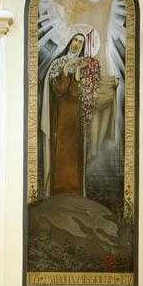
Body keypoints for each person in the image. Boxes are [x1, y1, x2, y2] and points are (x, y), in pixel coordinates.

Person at [40, 33, 100, 197]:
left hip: (76, 118)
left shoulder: (84, 64)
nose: (77, 44)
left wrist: (78, 73)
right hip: (60, 116)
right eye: (75, 40)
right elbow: (58, 91)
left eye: (81, 42)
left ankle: (75, 191)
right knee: (61, 150)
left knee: (75, 152)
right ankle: (59, 190)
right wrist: (66, 71)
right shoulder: (58, 63)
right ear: (69, 41)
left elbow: (78, 94)